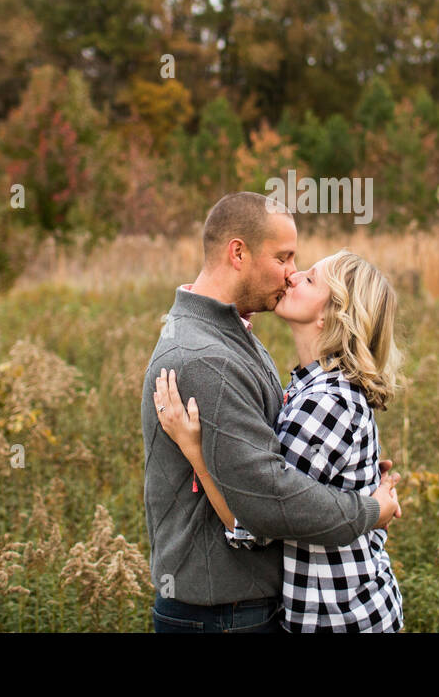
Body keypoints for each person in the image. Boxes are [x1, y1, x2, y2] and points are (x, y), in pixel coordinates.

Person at [141, 192, 402, 633]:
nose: (292, 272)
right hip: (222, 611)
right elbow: (268, 504)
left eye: (300, 266)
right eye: (284, 257)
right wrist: (366, 509)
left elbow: (273, 493)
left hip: (299, 610)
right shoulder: (208, 358)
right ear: (238, 252)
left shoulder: (239, 339)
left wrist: (348, 478)